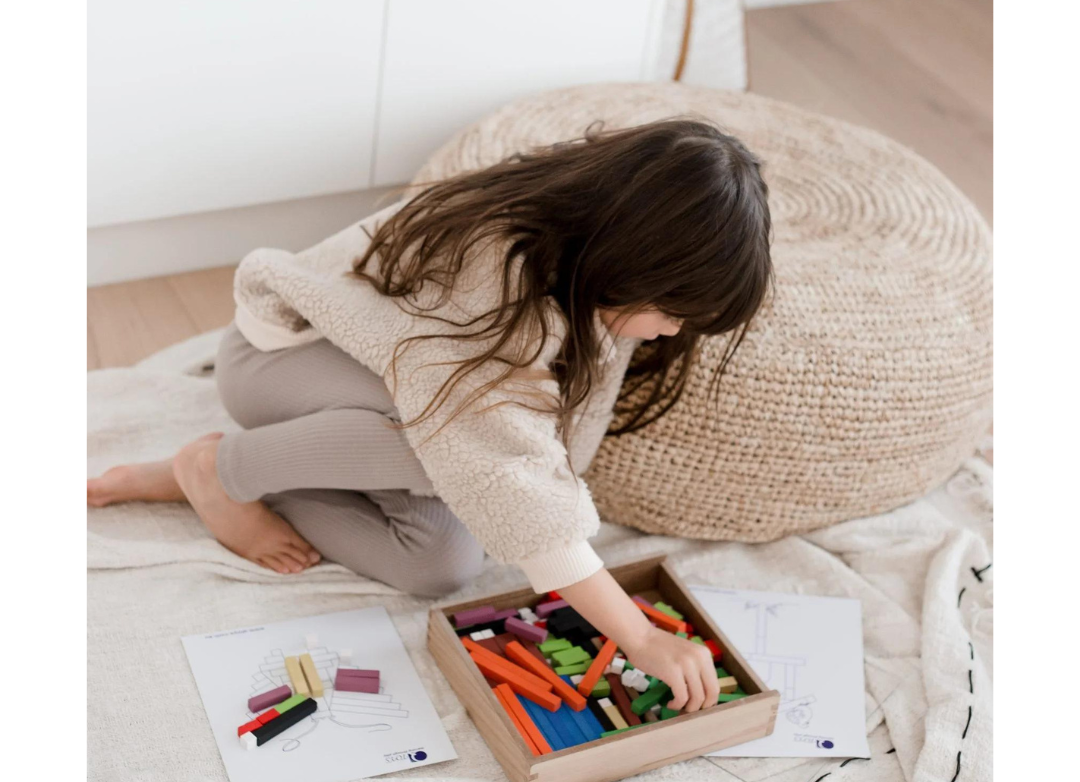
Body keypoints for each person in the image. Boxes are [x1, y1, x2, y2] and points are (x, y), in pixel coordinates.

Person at [89, 118, 772, 712]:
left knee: (440, 565)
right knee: (444, 446)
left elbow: (528, 452)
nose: (670, 332)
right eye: (672, 312)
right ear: (640, 256)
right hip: (275, 363)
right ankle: (216, 468)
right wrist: (640, 635)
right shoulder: (502, 268)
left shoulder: (598, 280)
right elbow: (498, 454)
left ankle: (253, 471)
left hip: (390, 386)